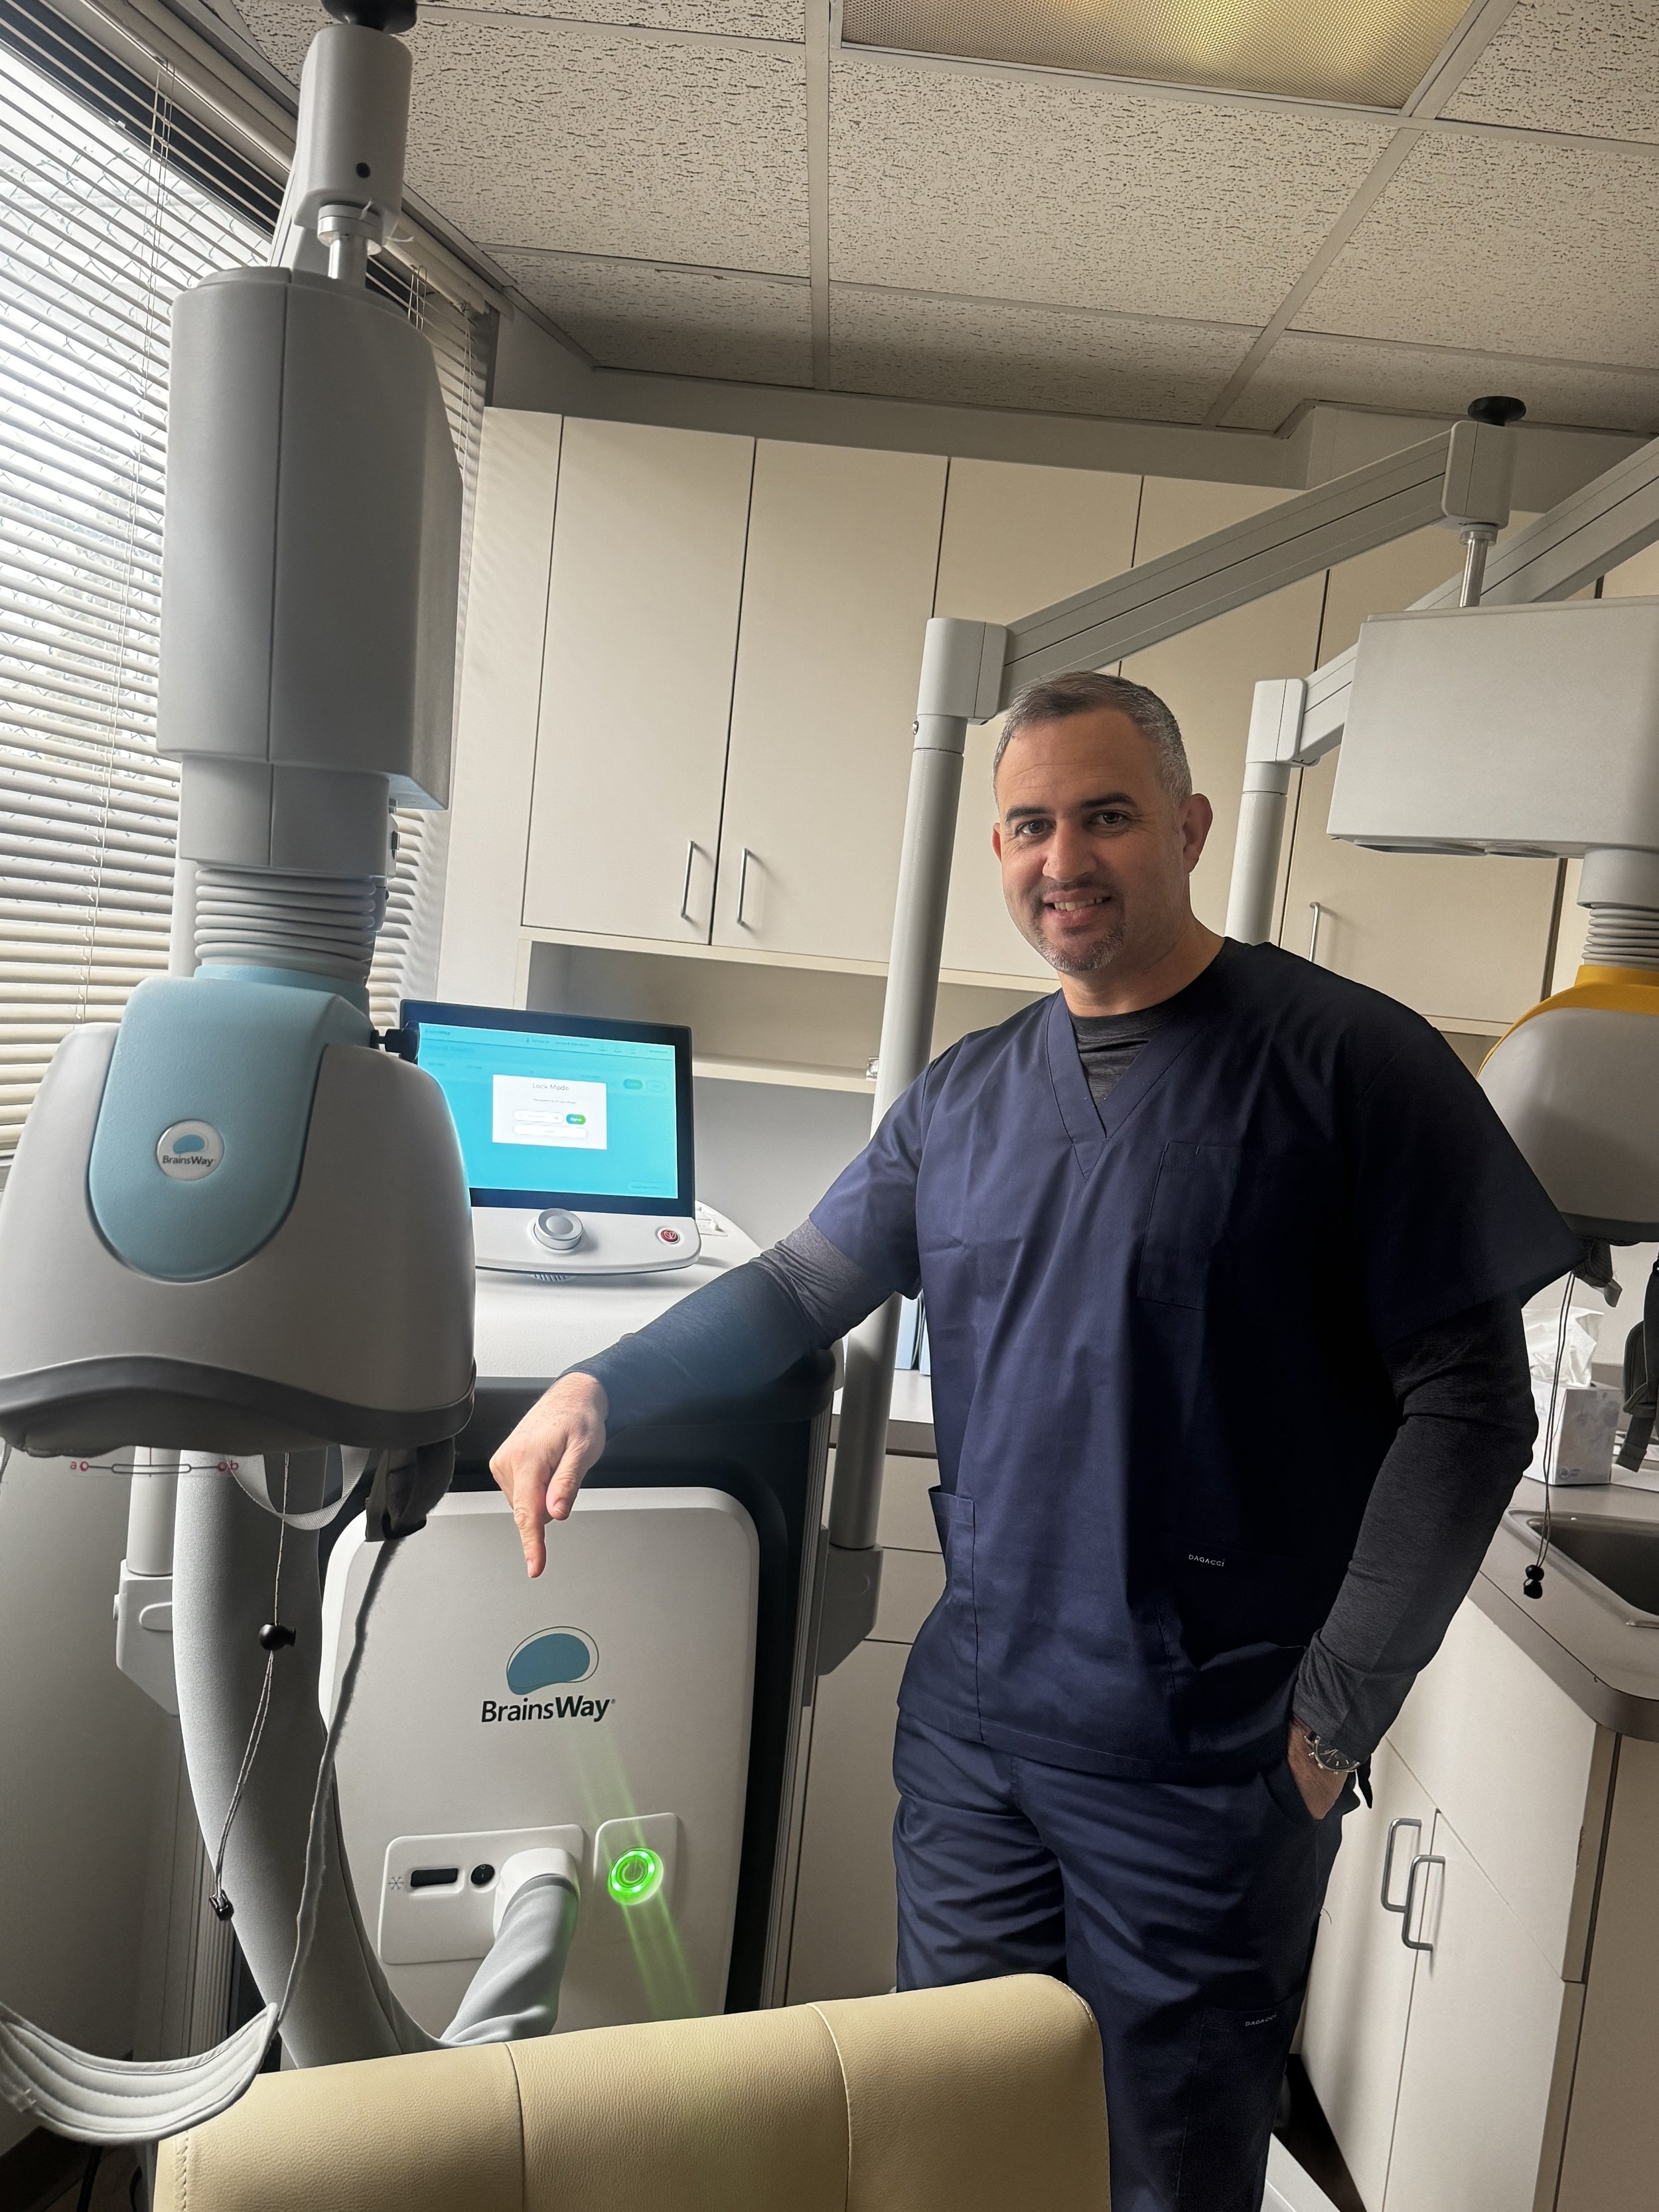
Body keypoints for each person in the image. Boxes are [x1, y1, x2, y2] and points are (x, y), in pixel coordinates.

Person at [490, 670, 1577, 2212]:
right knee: (952, 2128)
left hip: (1209, 1753)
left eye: (1104, 815)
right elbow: (807, 1280)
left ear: (1187, 827)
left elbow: (1470, 1408)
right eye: (1025, 825)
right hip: (978, 1736)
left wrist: (1332, 1717)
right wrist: (603, 1382)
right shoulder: (966, 1095)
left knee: (1162, 2168)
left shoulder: (1346, 1065)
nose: (1060, 857)